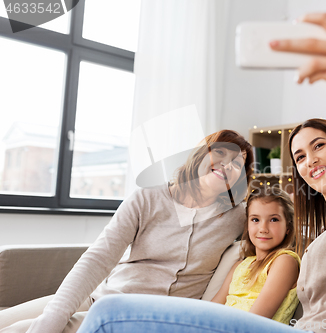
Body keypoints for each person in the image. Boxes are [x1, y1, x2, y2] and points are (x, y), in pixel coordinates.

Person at [75, 12, 326, 333]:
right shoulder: (317, 246)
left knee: (108, 314)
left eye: (318, 146)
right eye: (298, 156)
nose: (308, 159)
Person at [0, 129, 254, 333]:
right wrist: (55, 313)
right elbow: (98, 258)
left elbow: (278, 228)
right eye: (221, 153)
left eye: (237, 164)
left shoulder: (238, 217)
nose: (227, 165)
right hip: (101, 295)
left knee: (20, 330)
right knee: (9, 321)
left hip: (137, 316)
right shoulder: (147, 198)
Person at [211, 187, 300, 324]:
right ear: (247, 225)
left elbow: (254, 322)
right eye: (255, 220)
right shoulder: (239, 266)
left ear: (288, 227)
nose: (263, 229)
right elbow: (212, 309)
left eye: (274, 220)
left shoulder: (284, 261)